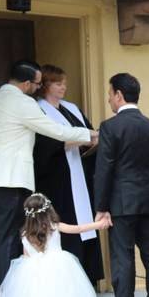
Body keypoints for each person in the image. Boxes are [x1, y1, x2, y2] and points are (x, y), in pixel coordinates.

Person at [0, 59, 97, 297]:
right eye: (37, 84)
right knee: (8, 239)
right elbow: (52, 129)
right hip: (12, 179)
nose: (37, 89)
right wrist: (88, 134)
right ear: (26, 83)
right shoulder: (23, 103)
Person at [93, 73, 149, 297]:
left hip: (121, 205)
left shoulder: (110, 127)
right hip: (147, 202)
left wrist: (101, 206)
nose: (108, 99)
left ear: (119, 95)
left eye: (110, 93)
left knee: (123, 261)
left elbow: (104, 169)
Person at [0, 193, 109, 297]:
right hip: (59, 266)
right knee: (63, 294)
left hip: (34, 269)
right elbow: (79, 228)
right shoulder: (54, 226)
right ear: (48, 210)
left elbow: (26, 256)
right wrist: (98, 225)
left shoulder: (25, 234)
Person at [33, 64, 104, 285]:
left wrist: (92, 141)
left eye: (64, 82)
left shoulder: (71, 108)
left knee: (83, 220)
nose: (63, 87)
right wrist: (84, 138)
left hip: (79, 172)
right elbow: (45, 144)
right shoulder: (38, 109)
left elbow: (89, 133)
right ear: (45, 85)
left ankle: (87, 276)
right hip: (56, 177)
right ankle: (66, 281)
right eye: (57, 83)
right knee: (65, 221)